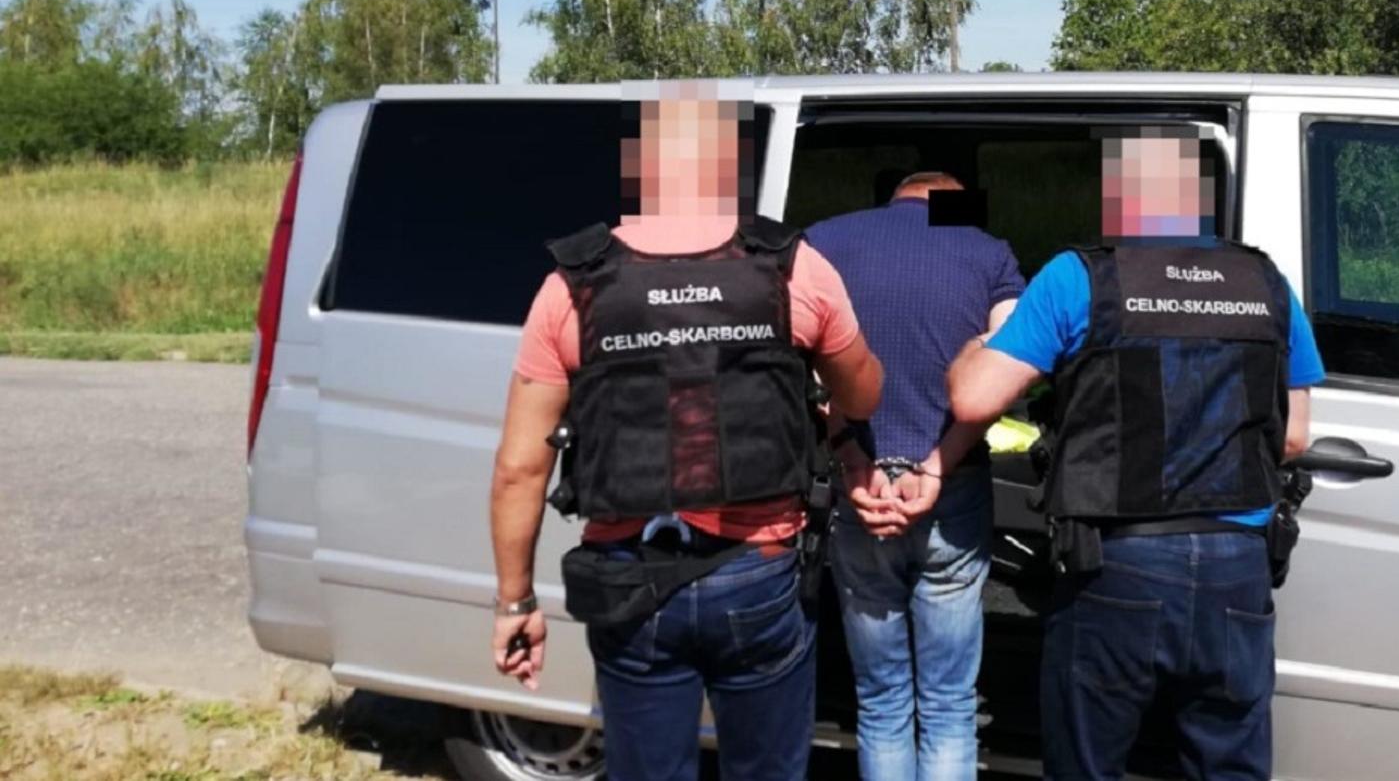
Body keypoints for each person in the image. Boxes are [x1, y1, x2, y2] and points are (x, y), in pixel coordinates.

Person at [487, 84, 884, 781]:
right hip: (757, 573)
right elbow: (863, 392)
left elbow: (521, 468)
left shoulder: (572, 285)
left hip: (629, 579)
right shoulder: (794, 267)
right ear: (730, 167)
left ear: (639, 168)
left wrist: (515, 601)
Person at [945, 127, 1324, 781]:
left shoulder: (1080, 278)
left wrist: (981, 343)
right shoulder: (1266, 281)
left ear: (1119, 195)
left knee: (1088, 763)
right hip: (1237, 565)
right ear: (1200, 198)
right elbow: (1293, 438)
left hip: (1119, 564)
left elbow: (974, 400)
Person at [805, 172, 1025, 781]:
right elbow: (1009, 365)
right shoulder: (989, 252)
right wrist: (938, 463)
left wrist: (853, 458)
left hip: (862, 491)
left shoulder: (823, 241)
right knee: (950, 704)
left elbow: (801, 364)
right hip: (952, 486)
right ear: (954, 202)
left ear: (896, 197)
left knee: (880, 700)